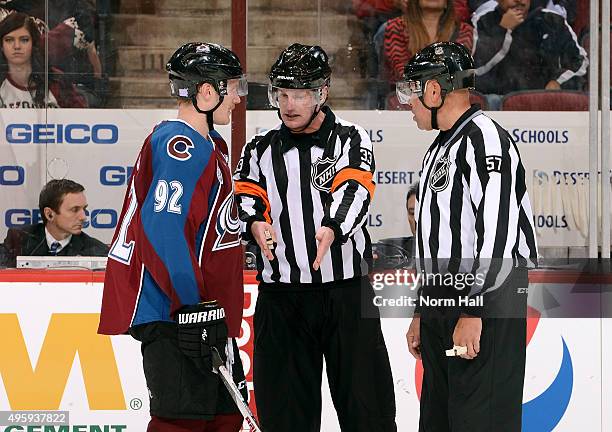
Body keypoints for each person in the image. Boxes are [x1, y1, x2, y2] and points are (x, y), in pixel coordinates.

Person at [233, 43, 397, 432]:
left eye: (301, 94)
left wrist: (333, 226)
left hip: (345, 295)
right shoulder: (258, 147)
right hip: (282, 298)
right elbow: (246, 193)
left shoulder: (351, 138)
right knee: (286, 415)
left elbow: (355, 188)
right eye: (282, 94)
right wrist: (255, 224)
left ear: (322, 93)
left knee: (367, 410)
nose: (289, 105)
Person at [98, 42, 249, 432]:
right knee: (181, 421)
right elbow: (163, 231)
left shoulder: (207, 145)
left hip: (202, 313)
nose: (237, 97)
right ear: (206, 91)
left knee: (225, 417)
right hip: (177, 313)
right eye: (231, 87)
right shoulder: (179, 146)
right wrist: (192, 307)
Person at [396, 41, 537, 431]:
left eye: (412, 90)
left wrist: (475, 309)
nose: (407, 101)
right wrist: (422, 310)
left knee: (480, 419)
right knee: (441, 420)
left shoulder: (485, 140)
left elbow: (499, 233)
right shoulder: (440, 147)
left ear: (435, 90)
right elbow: (433, 239)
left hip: (484, 302)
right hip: (445, 302)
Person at [472, 0, 587, 97]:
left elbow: (579, 62)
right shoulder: (483, 21)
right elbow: (476, 69)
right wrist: (502, 31)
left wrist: (557, 81)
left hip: (543, 99)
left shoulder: (552, 20)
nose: (519, 0)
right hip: (498, 101)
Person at [1, 179, 108, 267]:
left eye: (84, 209)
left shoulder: (97, 251)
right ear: (49, 214)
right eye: (75, 210)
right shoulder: (18, 240)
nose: (83, 217)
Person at [0, 11, 86, 108]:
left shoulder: (55, 80)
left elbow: (82, 117)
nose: (17, 46)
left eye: (24, 40)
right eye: (9, 40)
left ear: (33, 44)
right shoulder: (2, 86)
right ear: (1, 46)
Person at [383, 0, 473, 84]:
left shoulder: (464, 31)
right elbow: (402, 71)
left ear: (447, 3)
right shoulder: (396, 27)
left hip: (449, 95)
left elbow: (457, 71)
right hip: (407, 96)